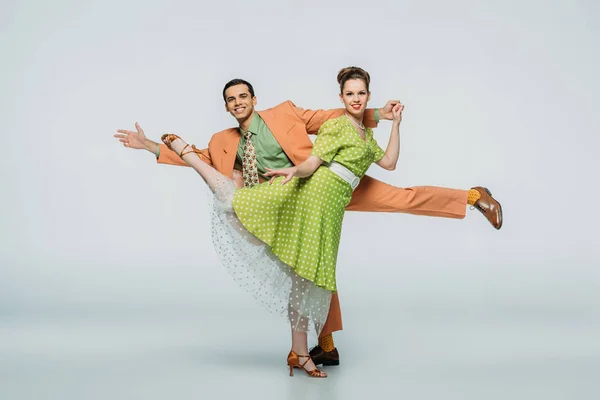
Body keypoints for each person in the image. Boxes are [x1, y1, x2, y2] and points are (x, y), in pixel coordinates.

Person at [114, 71, 502, 370]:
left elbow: (334, 115)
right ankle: (326, 344)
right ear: (227, 107)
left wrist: (379, 115)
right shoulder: (223, 141)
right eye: (230, 100)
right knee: (313, 265)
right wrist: (149, 146)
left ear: (254, 99)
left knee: (400, 198)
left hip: (323, 179)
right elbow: (194, 155)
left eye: (243, 96)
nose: (237, 103)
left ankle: (472, 197)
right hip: (288, 203)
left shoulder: (283, 112)